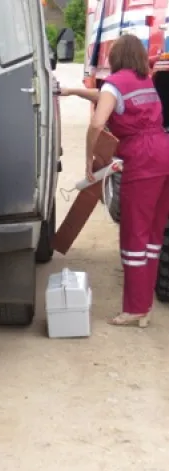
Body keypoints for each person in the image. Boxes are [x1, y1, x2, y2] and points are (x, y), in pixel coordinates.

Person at [60, 34, 169, 327]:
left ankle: (134, 309)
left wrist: (87, 157)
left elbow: (98, 121)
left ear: (116, 57)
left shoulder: (115, 83)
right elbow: (106, 97)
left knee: (134, 234)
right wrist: (72, 91)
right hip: (163, 153)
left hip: (142, 158)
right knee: (153, 235)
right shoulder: (144, 81)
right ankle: (144, 306)